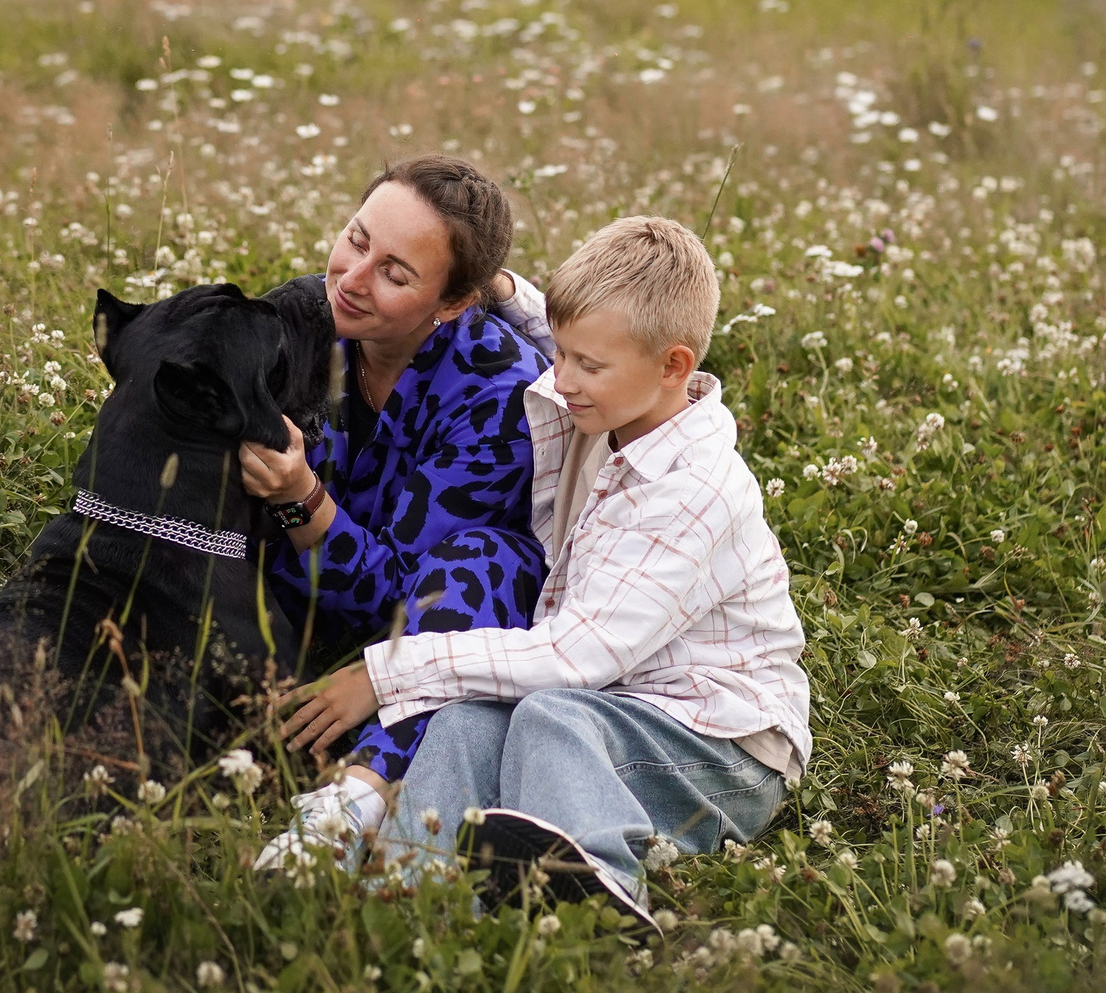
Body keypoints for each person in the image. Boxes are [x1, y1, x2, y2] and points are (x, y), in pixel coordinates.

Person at [279, 215, 809, 922]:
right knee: (466, 718)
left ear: (673, 367)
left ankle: (599, 890)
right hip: (608, 710)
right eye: (561, 353)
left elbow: (576, 657)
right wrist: (490, 284)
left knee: (549, 717)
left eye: (587, 365)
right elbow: (545, 320)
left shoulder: (692, 489)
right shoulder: (612, 397)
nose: (560, 380)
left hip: (722, 751)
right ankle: (406, 888)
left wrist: (383, 674)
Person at [240, 156, 554, 857]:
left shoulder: (499, 391)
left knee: (492, 559)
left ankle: (354, 803)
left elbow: (397, 594)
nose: (352, 280)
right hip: (294, 591)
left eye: (396, 273)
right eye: (356, 240)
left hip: (433, 621)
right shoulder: (298, 324)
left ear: (451, 303)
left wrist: (299, 498)